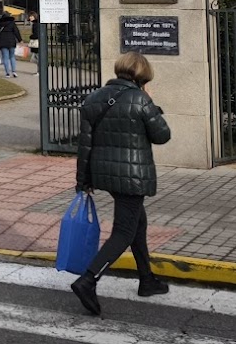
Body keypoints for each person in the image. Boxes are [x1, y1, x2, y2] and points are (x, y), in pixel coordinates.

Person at [71, 51, 172, 316]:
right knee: (124, 231)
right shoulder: (140, 99)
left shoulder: (94, 98)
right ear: (142, 75)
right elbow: (162, 135)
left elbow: (85, 144)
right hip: (131, 177)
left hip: (105, 175)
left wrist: (83, 181)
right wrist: (152, 104)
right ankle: (88, 280)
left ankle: (147, 280)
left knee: (138, 224)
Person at [0, 10, 21, 77]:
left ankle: (7, 73)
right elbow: (16, 32)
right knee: (12, 56)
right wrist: (20, 40)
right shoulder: (12, 23)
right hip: (11, 41)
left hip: (2, 42)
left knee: (5, 57)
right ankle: (14, 71)